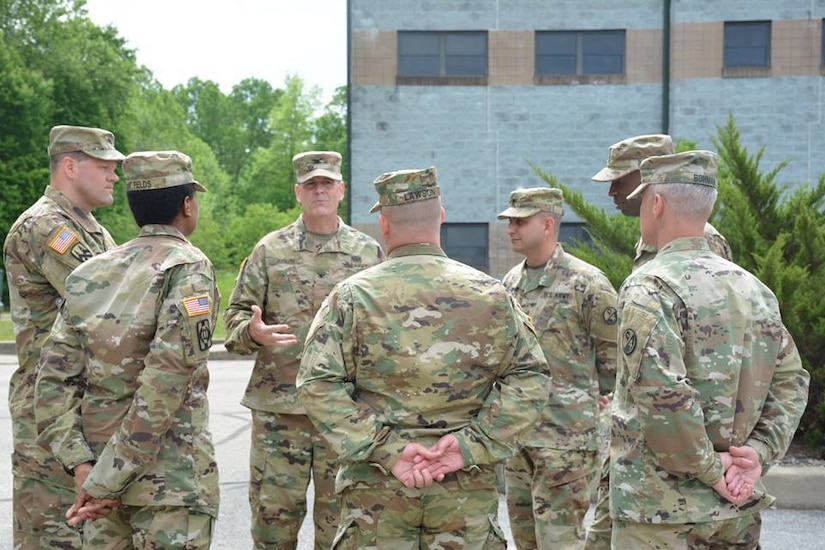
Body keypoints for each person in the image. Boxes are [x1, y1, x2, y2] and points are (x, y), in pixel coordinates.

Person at [296, 166, 552, 549]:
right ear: (442, 218)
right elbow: (531, 377)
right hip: (464, 492)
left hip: (376, 496)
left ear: (384, 225)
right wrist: (471, 444)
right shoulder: (491, 294)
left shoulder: (350, 297)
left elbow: (317, 384)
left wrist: (388, 450)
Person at [610, 150, 810, 548]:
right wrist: (756, 455)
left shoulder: (649, 287)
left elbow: (663, 395)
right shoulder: (755, 290)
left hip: (661, 514)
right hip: (736, 512)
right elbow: (791, 381)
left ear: (656, 203)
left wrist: (712, 471)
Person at [34, 150, 220, 548]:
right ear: (187, 205)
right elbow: (165, 384)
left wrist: (83, 467)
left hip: (99, 481)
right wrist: (106, 479)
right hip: (169, 487)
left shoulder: (89, 272)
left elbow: (52, 381)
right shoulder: (186, 267)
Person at [223, 150, 385, 549]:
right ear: (297, 192)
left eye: (326, 183)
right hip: (280, 414)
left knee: (343, 528)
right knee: (272, 524)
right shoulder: (269, 250)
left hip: (343, 414)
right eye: (310, 184)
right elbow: (234, 321)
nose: (319, 191)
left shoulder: (368, 254)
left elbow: (386, 329)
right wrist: (252, 333)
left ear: (341, 190)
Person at [585, 134, 734, 549]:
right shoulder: (651, 243)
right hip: (636, 446)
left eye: (619, 180)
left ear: (652, 180)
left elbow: (707, 350)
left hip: (671, 462)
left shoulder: (703, 243)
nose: (612, 191)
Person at [3, 124, 124, 549]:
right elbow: (111, 299)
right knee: (54, 537)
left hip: (81, 407)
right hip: (52, 412)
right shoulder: (48, 227)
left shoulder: (92, 228)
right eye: (105, 166)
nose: (115, 176)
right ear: (70, 166)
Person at [496, 187, 617, 549]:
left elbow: (615, 362)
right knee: (526, 540)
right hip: (519, 439)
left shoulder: (588, 284)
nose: (511, 228)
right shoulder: (509, 284)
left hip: (566, 442)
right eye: (510, 221)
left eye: (521, 221)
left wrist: (593, 397)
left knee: (560, 542)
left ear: (548, 224)